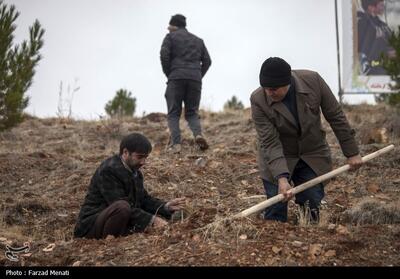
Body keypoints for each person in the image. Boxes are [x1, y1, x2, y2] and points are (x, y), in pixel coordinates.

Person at [250, 57, 363, 223]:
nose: (269, 93)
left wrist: (352, 152)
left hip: (312, 153)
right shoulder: (258, 99)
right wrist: (282, 178)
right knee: (276, 207)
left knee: (311, 204)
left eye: (273, 89)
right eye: (266, 88)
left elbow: (336, 116)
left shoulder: (313, 81)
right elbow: (269, 142)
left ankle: (308, 240)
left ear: (287, 82)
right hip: (279, 155)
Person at [74, 133, 186, 239]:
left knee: (125, 208)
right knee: (122, 207)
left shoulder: (135, 172)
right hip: (90, 227)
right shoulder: (108, 170)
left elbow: (143, 200)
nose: (143, 162)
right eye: (140, 157)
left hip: (113, 222)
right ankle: (110, 242)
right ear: (125, 152)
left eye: (146, 157)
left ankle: (126, 234)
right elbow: (118, 204)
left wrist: (165, 207)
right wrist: (152, 221)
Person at [160, 14, 212, 153]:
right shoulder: (198, 41)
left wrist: (169, 74)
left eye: (169, 27)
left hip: (176, 77)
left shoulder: (170, 37)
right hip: (195, 78)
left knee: (173, 113)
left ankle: (176, 145)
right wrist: (197, 75)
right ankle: (198, 135)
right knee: (192, 113)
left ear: (173, 26)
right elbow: (207, 61)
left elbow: (164, 55)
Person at [357, 0, 395, 75]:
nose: (383, 7)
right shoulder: (362, 24)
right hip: (373, 69)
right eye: (381, 5)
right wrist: (386, 54)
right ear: (371, 8)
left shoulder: (383, 25)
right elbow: (364, 51)